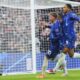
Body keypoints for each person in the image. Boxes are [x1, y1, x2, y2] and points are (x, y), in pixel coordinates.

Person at [37, 12, 67, 78]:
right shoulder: (54, 24)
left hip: (55, 46)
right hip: (54, 45)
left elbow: (59, 35)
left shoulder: (56, 25)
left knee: (46, 57)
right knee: (55, 59)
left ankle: (43, 74)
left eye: (50, 16)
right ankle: (63, 65)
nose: (49, 18)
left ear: (54, 17)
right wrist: (46, 25)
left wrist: (52, 38)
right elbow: (51, 26)